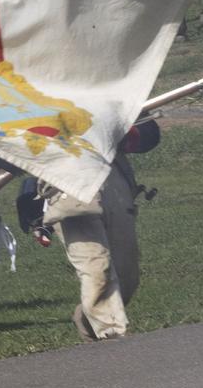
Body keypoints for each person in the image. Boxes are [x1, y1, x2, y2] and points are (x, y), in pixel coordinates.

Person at [24, 123, 154, 343]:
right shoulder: (35, 94)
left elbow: (151, 134)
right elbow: (1, 152)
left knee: (126, 277)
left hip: (113, 177)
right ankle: (112, 338)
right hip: (67, 184)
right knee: (96, 269)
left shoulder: (110, 89)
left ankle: (88, 319)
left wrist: (127, 132)